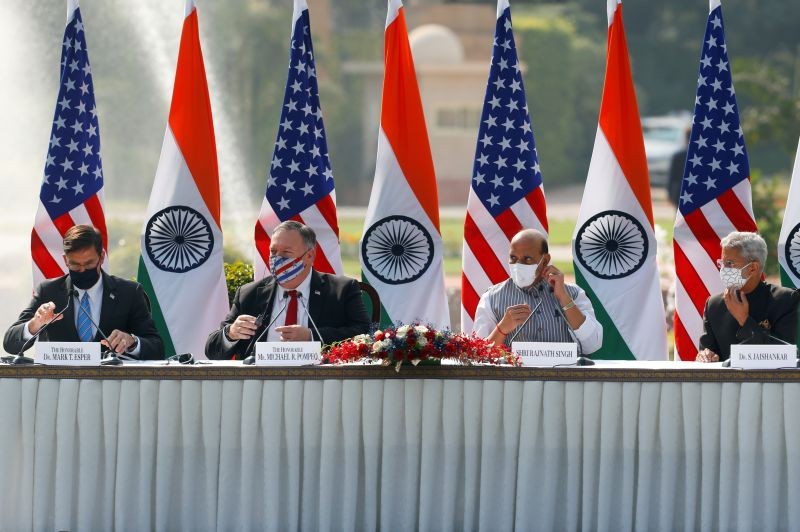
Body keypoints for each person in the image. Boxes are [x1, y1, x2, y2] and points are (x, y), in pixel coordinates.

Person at [205, 221, 370, 359]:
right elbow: (212, 350)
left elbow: (364, 335)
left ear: (309, 256)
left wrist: (311, 336)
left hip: (319, 383)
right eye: (273, 251)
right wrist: (231, 333)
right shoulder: (250, 294)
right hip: (259, 383)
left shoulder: (341, 290)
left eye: (286, 253)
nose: (277, 259)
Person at [4, 225, 164, 359]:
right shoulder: (48, 291)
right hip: (59, 387)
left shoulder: (129, 292)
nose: (82, 270)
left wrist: (132, 342)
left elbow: (157, 348)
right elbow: (10, 344)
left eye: (88, 264)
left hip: (112, 388)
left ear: (101, 257)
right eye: (74, 265)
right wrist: (35, 324)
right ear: (65, 260)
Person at [473, 229, 603, 354]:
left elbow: (592, 345)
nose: (518, 264)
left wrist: (564, 298)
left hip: (561, 376)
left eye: (527, 259)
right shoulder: (491, 298)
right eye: (513, 258)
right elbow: (479, 354)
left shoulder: (573, 293)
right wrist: (502, 329)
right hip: (514, 377)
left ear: (545, 260)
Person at [696, 231, 800, 362]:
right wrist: (705, 355)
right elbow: (707, 351)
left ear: (753, 268)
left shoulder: (784, 299)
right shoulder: (714, 304)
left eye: (729, 263)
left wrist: (744, 321)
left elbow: (784, 355)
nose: (723, 269)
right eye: (722, 263)